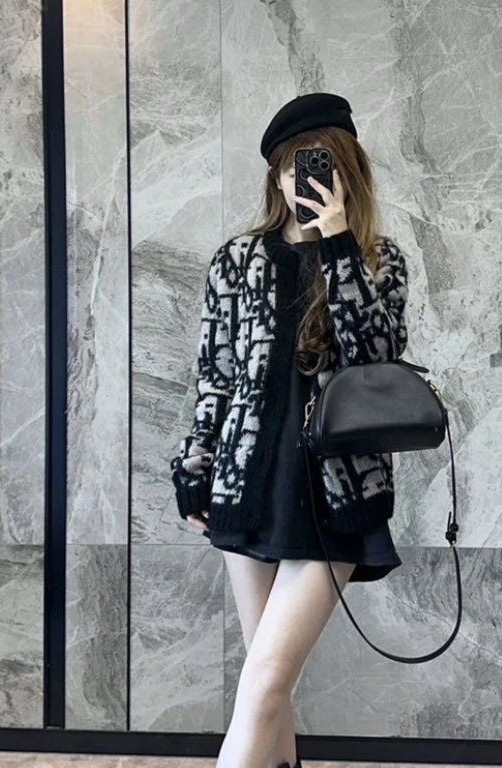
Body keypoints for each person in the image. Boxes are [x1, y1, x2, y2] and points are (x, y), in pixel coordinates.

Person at [170, 92, 410, 768]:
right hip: (247, 487)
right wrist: (194, 470)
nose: (304, 181)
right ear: (276, 178)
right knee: (267, 688)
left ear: (348, 175)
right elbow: (214, 376)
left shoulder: (378, 260)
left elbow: (376, 356)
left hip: (335, 495)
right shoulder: (236, 260)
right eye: (294, 168)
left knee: (264, 684)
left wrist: (338, 242)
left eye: (323, 167)